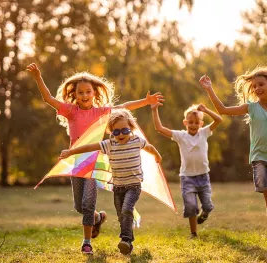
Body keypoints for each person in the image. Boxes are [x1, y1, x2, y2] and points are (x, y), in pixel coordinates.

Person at [26, 63, 164, 254]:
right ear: (75, 94)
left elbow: (123, 107)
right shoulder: (71, 111)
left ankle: (86, 242)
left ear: (94, 93)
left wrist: (145, 101)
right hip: (76, 163)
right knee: (79, 206)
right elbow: (48, 98)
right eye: (80, 92)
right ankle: (98, 218)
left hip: (94, 163)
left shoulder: (100, 112)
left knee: (88, 203)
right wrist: (38, 78)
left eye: (88, 91)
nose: (84, 95)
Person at [198, 66, 267, 248]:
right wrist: (209, 88)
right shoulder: (251, 108)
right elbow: (223, 110)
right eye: (254, 86)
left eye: (261, 84)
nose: (257, 88)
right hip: (259, 159)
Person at [59, 109, 162, 255]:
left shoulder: (137, 141)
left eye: (125, 130)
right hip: (118, 187)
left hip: (134, 186)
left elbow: (150, 147)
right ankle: (129, 242)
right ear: (111, 132)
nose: (120, 134)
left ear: (131, 128)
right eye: (116, 132)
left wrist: (157, 156)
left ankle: (125, 239)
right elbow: (90, 147)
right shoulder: (109, 144)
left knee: (127, 209)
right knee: (121, 215)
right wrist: (71, 152)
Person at [151, 102, 222, 239]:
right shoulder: (180, 136)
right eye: (190, 122)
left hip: (203, 176)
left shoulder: (204, 133)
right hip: (187, 178)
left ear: (201, 123)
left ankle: (205, 213)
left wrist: (206, 110)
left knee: (207, 205)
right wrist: (154, 110)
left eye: (196, 122)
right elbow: (159, 128)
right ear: (185, 122)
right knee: (190, 206)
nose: (193, 125)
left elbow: (219, 120)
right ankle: (193, 233)